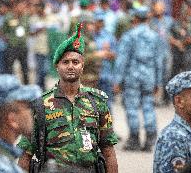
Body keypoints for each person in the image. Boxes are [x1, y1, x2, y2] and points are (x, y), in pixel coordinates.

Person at [17, 23, 118, 173]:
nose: (71, 66)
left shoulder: (97, 102)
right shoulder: (41, 105)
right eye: (65, 62)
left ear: (82, 66)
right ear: (57, 66)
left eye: (75, 62)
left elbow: (108, 151)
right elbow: (25, 156)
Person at [114, 6, 163, 152]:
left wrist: (118, 80)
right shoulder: (155, 36)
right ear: (147, 18)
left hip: (132, 77)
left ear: (135, 19)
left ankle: (134, 140)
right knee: (148, 105)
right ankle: (149, 139)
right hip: (149, 76)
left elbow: (122, 60)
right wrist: (158, 82)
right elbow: (159, 61)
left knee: (132, 107)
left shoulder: (129, 36)